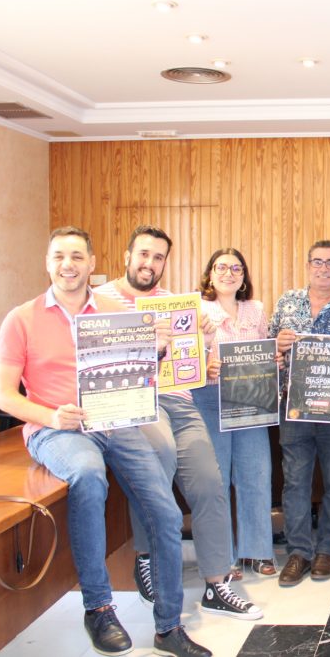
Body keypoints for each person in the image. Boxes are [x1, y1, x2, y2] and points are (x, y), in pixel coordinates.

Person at [0, 227, 211, 657]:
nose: (67, 265)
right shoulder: (21, 318)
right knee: (90, 475)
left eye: (77, 257)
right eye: (58, 256)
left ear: (92, 264)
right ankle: (99, 608)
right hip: (54, 428)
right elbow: (2, 394)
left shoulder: (115, 312)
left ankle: (169, 627)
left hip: (115, 423)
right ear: (47, 262)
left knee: (165, 512)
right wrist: (51, 416)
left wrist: (158, 350)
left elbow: (140, 374)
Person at [95, 225, 261, 620]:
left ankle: (217, 584)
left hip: (178, 401)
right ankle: (147, 557)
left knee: (210, 482)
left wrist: (205, 341)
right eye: (144, 254)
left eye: (158, 257)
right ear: (127, 256)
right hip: (135, 401)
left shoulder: (175, 303)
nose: (150, 263)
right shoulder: (99, 301)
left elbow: (194, 364)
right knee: (158, 462)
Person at [269, 240, 330, 586]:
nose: (324, 268)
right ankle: (298, 552)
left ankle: (327, 548)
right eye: (318, 261)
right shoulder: (286, 303)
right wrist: (277, 346)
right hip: (294, 408)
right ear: (308, 265)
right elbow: (269, 351)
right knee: (295, 481)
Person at [191, 248, 276, 577]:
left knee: (256, 475)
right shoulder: (198, 309)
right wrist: (204, 367)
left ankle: (257, 552)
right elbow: (183, 358)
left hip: (252, 400)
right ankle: (222, 558)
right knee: (217, 481)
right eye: (221, 267)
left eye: (236, 268)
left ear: (244, 277)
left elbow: (266, 348)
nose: (228, 273)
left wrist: (273, 360)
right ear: (210, 274)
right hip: (210, 399)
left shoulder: (256, 309)